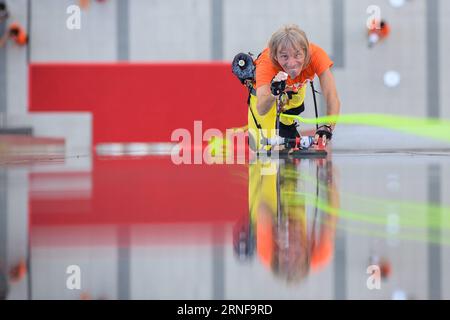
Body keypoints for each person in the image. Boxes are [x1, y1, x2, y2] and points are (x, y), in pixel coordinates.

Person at [244, 24, 340, 151]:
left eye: (297, 55)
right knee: (262, 148)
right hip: (267, 95)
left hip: (294, 92)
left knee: (296, 101)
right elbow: (261, 108)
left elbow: (331, 97)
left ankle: (286, 121)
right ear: (275, 56)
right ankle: (278, 121)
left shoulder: (316, 55)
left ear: (306, 52)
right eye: (284, 56)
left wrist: (328, 126)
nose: (292, 63)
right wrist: (274, 93)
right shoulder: (266, 64)